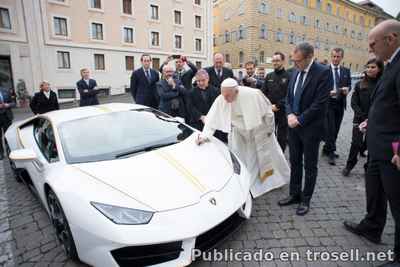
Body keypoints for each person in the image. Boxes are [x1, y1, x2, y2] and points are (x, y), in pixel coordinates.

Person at [343, 19, 400, 267]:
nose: (370, 49)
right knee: (374, 191)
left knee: (398, 203)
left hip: (393, 151)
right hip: (378, 147)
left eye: (373, 43)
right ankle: (372, 226)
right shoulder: (391, 64)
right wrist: (370, 122)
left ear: (391, 39)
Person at [196, 78, 290, 198]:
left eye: (228, 95)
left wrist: (269, 130)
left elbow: (268, 113)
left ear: (236, 91)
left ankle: (275, 181)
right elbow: (211, 120)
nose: (225, 99)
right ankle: (247, 185)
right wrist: (204, 136)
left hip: (259, 131)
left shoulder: (253, 94)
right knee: (240, 159)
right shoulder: (222, 98)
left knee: (267, 157)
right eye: (223, 95)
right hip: (239, 132)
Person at [278, 43, 332, 216]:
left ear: (309, 57)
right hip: (293, 127)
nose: (295, 64)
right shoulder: (295, 71)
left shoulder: (323, 72)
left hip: (310, 129)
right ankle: (294, 194)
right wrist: (289, 115)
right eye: (293, 61)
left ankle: (306, 199)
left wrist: (299, 119)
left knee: (310, 165)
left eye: (298, 61)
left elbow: (320, 104)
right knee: (294, 161)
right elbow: (288, 98)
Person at [342, 58, 384, 177]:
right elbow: (353, 102)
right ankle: (349, 166)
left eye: (373, 67)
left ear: (379, 69)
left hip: (375, 120)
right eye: (368, 67)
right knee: (356, 143)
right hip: (359, 119)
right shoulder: (360, 84)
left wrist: (371, 117)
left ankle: (368, 168)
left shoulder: (382, 84)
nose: (369, 69)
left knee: (371, 145)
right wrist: (361, 115)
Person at [322, 48, 352, 165]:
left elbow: (349, 84)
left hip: (340, 104)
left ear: (341, 57)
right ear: (331, 56)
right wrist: (328, 92)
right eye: (333, 56)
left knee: (337, 129)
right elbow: (320, 87)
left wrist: (347, 89)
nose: (335, 59)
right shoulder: (324, 70)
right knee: (330, 128)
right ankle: (331, 153)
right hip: (328, 104)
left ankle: (326, 148)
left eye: (338, 57)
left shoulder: (346, 71)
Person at [262, 52, 290, 152]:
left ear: (283, 61)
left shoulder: (288, 76)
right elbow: (263, 93)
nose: (275, 63)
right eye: (274, 60)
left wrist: (278, 105)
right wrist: (268, 106)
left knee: (282, 136)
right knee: (270, 134)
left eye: (277, 60)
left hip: (282, 111)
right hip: (270, 111)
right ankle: (271, 154)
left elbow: (289, 95)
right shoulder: (269, 76)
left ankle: (280, 155)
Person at [0, 86, 15, 160]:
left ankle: (9, 151)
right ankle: (1, 153)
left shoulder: (5, 90)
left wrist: (8, 105)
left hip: (7, 117)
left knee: (8, 135)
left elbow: (13, 103)